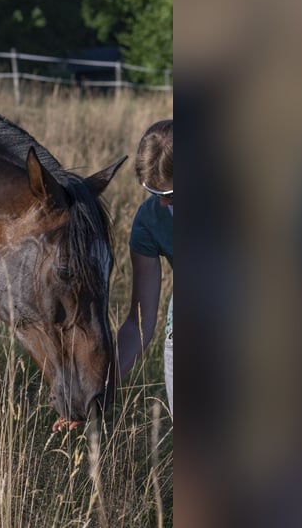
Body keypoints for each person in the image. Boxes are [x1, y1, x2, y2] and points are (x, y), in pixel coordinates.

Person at [115, 119, 173, 415]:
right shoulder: (149, 220)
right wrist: (103, 385)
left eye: (170, 195)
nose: (162, 204)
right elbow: (139, 322)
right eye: (153, 192)